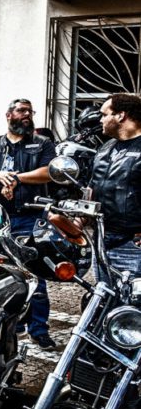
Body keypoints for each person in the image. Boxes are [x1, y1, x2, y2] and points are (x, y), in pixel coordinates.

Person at [0, 98, 56, 349]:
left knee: (34, 274)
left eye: (30, 110)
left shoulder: (43, 143)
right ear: (9, 115)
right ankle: (11, 322)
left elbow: (48, 172)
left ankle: (39, 329)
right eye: (22, 110)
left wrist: (15, 179)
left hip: (29, 217)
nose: (27, 114)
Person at [90, 93, 141, 282]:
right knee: (106, 301)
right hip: (102, 240)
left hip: (132, 244)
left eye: (104, 114)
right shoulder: (105, 149)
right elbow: (93, 187)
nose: (101, 119)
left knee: (132, 307)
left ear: (120, 116)